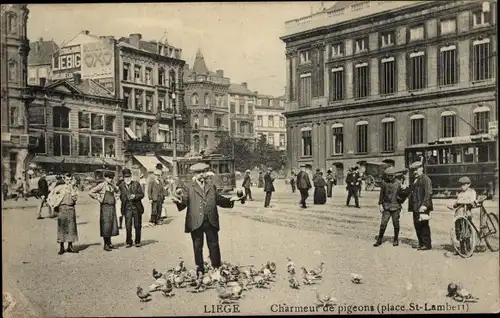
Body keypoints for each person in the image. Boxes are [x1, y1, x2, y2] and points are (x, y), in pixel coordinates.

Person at [172, 163, 242, 275]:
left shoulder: (211, 186)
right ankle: (200, 269)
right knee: (197, 246)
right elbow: (184, 201)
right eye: (199, 172)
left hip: (210, 220)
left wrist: (231, 200)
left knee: (214, 244)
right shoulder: (188, 187)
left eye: (203, 172)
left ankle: (217, 267)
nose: (201, 175)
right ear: (194, 174)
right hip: (195, 221)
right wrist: (178, 201)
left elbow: (218, 199)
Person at [374, 167, 410, 247]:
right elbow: (381, 195)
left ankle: (396, 239)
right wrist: (380, 205)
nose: (390, 177)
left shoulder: (398, 183)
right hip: (386, 207)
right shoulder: (384, 183)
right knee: (383, 223)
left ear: (394, 175)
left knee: (395, 224)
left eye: (391, 176)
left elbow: (403, 194)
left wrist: (404, 189)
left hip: (395, 207)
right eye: (388, 176)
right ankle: (379, 239)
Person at [47, 173, 79, 255]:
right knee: (62, 228)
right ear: (64, 180)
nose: (69, 181)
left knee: (71, 228)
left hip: (71, 208)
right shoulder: (60, 187)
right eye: (67, 180)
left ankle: (70, 246)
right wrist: (53, 204)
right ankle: (61, 247)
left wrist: (73, 193)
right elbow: (51, 195)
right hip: (62, 208)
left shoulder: (74, 188)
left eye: (70, 180)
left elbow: (75, 199)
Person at [89, 171, 120, 252]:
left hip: (112, 207)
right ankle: (106, 244)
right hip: (105, 207)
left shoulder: (112, 185)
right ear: (105, 178)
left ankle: (109, 243)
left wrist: (116, 197)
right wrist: (98, 198)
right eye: (109, 178)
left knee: (111, 225)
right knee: (105, 225)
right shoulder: (102, 185)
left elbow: (118, 192)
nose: (110, 179)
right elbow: (91, 192)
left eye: (111, 178)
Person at [408, 161, 433, 251]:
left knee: (423, 225)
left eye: (417, 169)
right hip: (416, 206)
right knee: (417, 225)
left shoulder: (425, 179)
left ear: (421, 168)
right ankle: (421, 243)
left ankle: (426, 244)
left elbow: (428, 193)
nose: (415, 171)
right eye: (414, 170)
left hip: (422, 207)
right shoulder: (415, 179)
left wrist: (424, 205)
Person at [118, 168, 145, 248]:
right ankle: (129, 241)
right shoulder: (121, 186)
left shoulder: (136, 184)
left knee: (137, 225)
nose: (128, 178)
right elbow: (119, 195)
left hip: (136, 208)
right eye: (126, 177)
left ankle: (137, 241)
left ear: (131, 176)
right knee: (128, 226)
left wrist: (135, 196)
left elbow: (142, 194)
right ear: (123, 177)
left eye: (129, 176)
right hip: (127, 208)